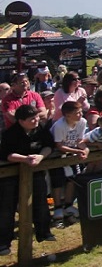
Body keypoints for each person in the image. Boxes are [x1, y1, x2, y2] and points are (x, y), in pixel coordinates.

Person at [0, 105, 56, 256]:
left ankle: (44, 232)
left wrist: (40, 156)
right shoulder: (10, 134)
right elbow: (6, 154)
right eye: (32, 119)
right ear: (21, 121)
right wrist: (25, 159)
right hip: (10, 176)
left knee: (40, 201)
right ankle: (3, 242)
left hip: (35, 171)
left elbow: (49, 145)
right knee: (7, 208)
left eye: (37, 117)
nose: (36, 120)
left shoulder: (41, 129)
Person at [50, 101, 89, 223]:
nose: (80, 114)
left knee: (72, 179)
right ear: (67, 115)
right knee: (57, 180)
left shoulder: (82, 122)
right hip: (56, 156)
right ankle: (57, 207)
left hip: (72, 154)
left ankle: (68, 204)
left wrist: (85, 150)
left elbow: (79, 141)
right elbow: (59, 145)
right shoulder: (59, 126)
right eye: (77, 113)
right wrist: (77, 151)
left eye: (80, 112)